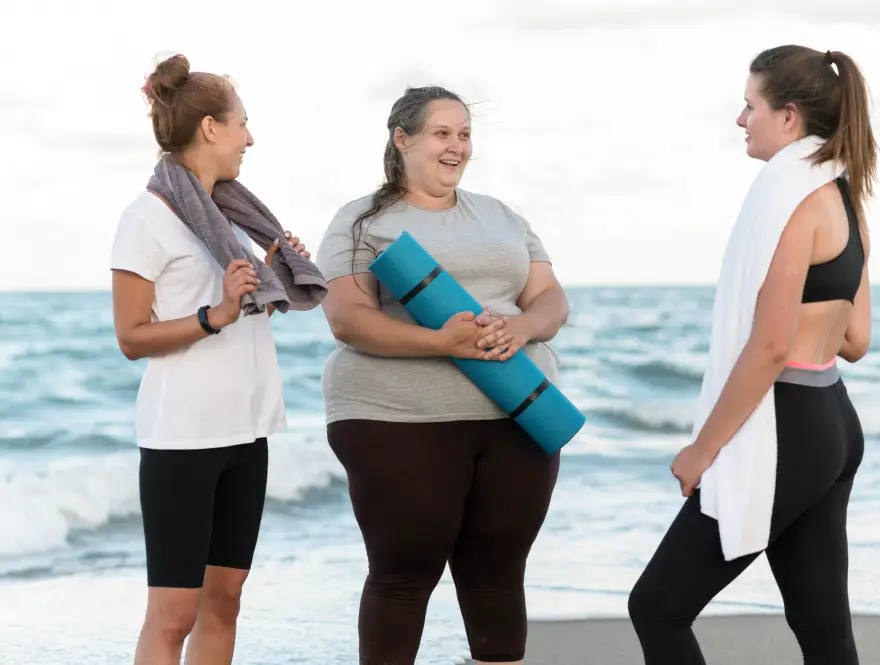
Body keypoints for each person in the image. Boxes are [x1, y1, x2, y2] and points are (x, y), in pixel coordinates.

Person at [628, 45, 877, 665]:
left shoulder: (788, 200)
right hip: (834, 426)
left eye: (750, 106)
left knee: (656, 608)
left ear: (788, 116)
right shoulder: (842, 195)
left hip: (788, 428)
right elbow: (855, 341)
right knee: (822, 628)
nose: (742, 120)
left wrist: (702, 449)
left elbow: (767, 348)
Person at [315, 85, 569, 665]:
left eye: (463, 134)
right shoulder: (362, 221)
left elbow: (551, 298)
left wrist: (524, 329)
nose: (456, 146)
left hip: (519, 412)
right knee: (404, 576)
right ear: (402, 140)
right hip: (398, 420)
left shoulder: (502, 216)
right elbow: (348, 319)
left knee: (499, 576)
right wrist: (438, 341)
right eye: (441, 133)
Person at [110, 54, 321, 665]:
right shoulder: (145, 218)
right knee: (174, 613)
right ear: (209, 128)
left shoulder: (233, 216)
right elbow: (130, 336)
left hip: (245, 430)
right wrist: (213, 316)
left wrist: (278, 269)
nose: (249, 138)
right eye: (241, 125)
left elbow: (251, 301)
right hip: (182, 438)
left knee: (224, 600)